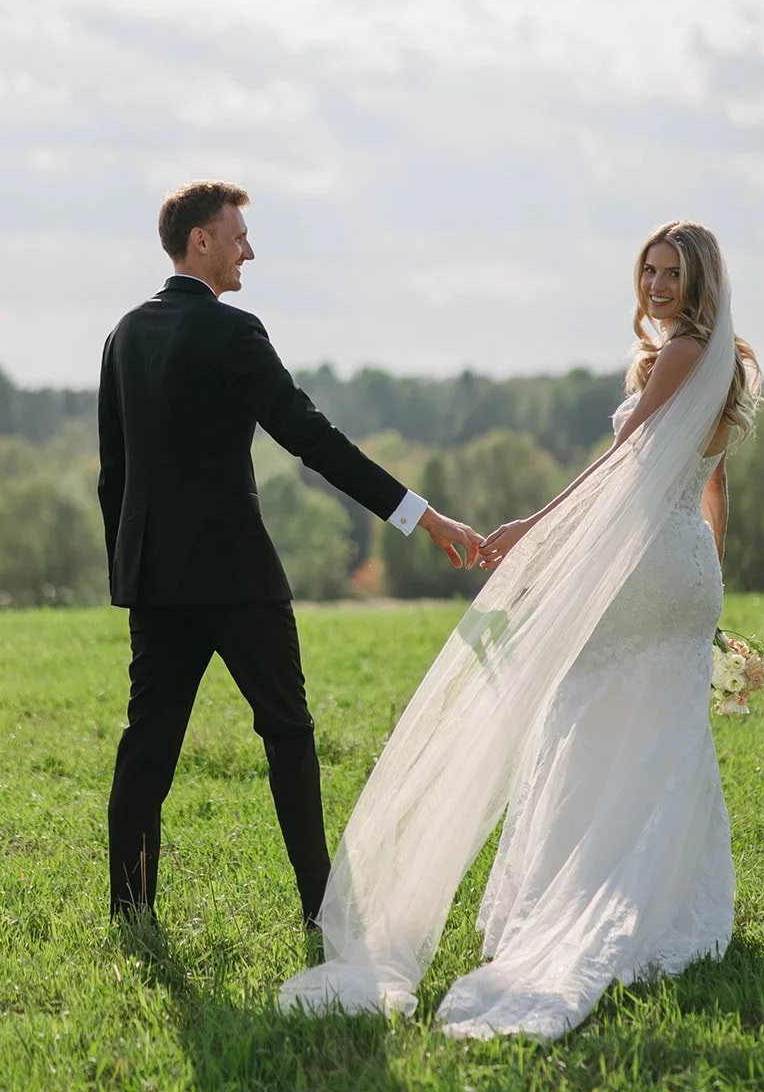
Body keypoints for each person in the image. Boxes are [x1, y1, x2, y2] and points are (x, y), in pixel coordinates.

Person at [278, 220, 761, 1038]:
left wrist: (528, 530)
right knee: (661, 729)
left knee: (584, 712)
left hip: (646, 569)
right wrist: (709, 573)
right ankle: (665, 899)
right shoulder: (720, 361)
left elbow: (619, 466)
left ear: (698, 279)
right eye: (646, 270)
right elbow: (711, 488)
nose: (653, 285)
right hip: (679, 570)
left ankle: (591, 901)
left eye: (670, 272)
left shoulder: (683, 352)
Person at [98, 180, 481, 930]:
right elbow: (309, 437)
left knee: (148, 743)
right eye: (236, 234)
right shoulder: (232, 331)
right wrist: (420, 514)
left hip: (155, 579)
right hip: (237, 575)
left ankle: (129, 911)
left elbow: (113, 473)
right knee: (288, 732)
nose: (249, 249)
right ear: (199, 241)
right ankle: (319, 910)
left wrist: (131, 569)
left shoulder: (122, 335)